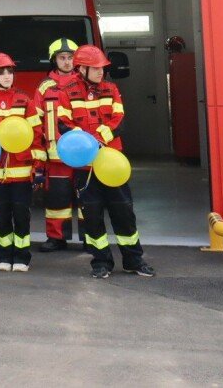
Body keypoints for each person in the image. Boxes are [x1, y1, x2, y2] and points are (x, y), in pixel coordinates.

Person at [61, 44, 156, 279]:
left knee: (124, 212)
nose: (100, 72)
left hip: (112, 164)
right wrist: (87, 142)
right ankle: (101, 263)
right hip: (87, 167)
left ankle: (134, 260)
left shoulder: (111, 89)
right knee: (92, 217)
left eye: (102, 68)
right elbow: (64, 124)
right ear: (81, 69)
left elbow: (119, 119)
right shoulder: (67, 92)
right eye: (94, 68)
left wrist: (99, 137)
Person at [0, 53, 44, 272]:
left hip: (21, 168)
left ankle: (23, 258)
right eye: (1, 72)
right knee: (1, 214)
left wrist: (38, 165)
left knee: (21, 213)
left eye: (9, 71)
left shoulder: (25, 99)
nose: (6, 76)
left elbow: (36, 133)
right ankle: (4, 256)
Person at [35, 38, 81, 251]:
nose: (67, 62)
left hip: (82, 153)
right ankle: (56, 237)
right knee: (56, 198)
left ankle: (91, 237)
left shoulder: (83, 83)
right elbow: (36, 120)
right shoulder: (45, 86)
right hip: (54, 154)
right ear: (54, 60)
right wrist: (39, 150)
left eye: (70, 57)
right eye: (62, 58)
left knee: (85, 198)